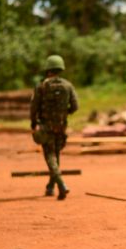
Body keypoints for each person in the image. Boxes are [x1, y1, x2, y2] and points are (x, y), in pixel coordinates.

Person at [30, 55, 78, 200]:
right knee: (56, 154)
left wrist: (33, 123)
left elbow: (34, 107)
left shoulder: (41, 86)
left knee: (50, 155)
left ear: (48, 69)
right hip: (61, 126)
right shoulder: (68, 85)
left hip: (46, 127)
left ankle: (61, 184)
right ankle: (50, 187)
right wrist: (65, 113)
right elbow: (75, 106)